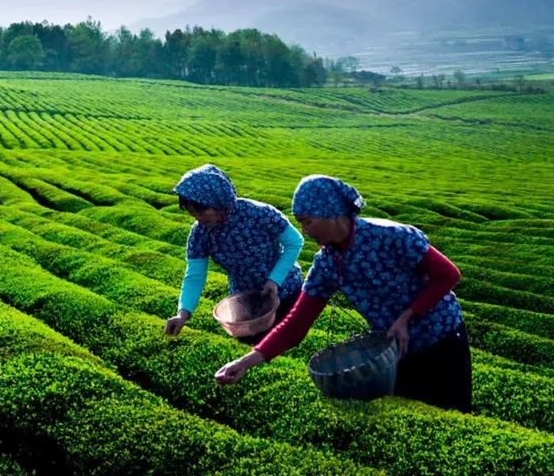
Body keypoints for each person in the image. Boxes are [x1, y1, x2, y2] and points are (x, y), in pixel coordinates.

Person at [213, 175, 471, 413]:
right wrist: (245, 362)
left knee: (453, 410)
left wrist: (407, 316)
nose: (305, 230)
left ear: (331, 214)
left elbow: (448, 275)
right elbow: (297, 322)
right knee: (415, 414)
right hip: (394, 348)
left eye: (307, 221)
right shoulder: (327, 263)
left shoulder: (392, 236)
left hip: (441, 338)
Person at [163, 164, 305, 345]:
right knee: (256, 352)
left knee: (289, 343)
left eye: (201, 211)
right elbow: (194, 276)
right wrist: (183, 313)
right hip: (246, 303)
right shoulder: (201, 233)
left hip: (285, 289)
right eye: (193, 213)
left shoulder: (258, 213)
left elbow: (295, 242)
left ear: (217, 201)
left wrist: (274, 280)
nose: (198, 218)